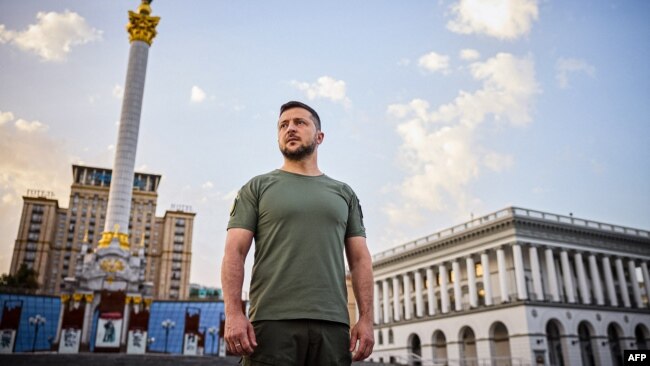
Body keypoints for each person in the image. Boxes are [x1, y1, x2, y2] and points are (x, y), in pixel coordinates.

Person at [221, 101, 375, 365]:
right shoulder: (256, 188)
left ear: (319, 136)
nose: (290, 128)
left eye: (299, 122)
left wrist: (366, 319)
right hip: (270, 323)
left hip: (333, 324)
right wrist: (234, 313)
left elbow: (360, 259)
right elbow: (234, 252)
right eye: (283, 125)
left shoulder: (344, 193)